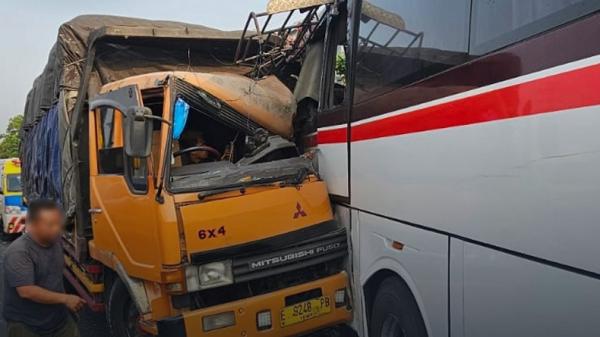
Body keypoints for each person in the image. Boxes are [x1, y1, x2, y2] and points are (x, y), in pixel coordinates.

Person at [3, 199, 85, 337]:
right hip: (28, 326)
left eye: (58, 224)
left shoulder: (55, 242)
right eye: (50, 225)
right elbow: (27, 291)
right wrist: (65, 299)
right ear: (33, 225)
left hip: (59, 321)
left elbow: (56, 277)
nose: (57, 229)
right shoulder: (19, 252)